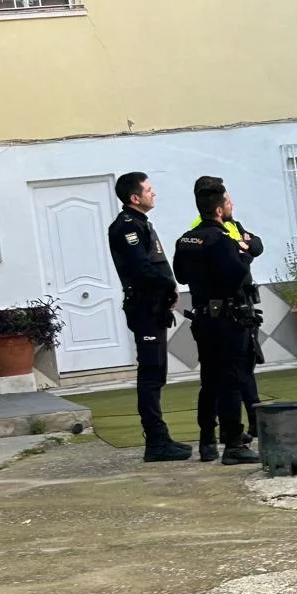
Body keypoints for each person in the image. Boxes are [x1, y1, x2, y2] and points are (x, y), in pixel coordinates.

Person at [172, 180, 260, 465]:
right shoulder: (221, 240)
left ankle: (207, 440)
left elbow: (182, 276)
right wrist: (243, 255)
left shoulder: (186, 239)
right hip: (228, 318)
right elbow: (236, 273)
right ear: (219, 210)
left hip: (202, 319)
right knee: (232, 380)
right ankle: (233, 443)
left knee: (208, 380)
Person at [108, 172, 190, 462]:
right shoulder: (126, 227)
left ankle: (160, 439)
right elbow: (142, 268)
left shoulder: (141, 223)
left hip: (154, 307)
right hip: (144, 308)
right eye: (149, 190)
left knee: (157, 374)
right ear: (134, 197)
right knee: (151, 375)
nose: (153, 193)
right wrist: (168, 286)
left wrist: (168, 291)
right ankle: (156, 442)